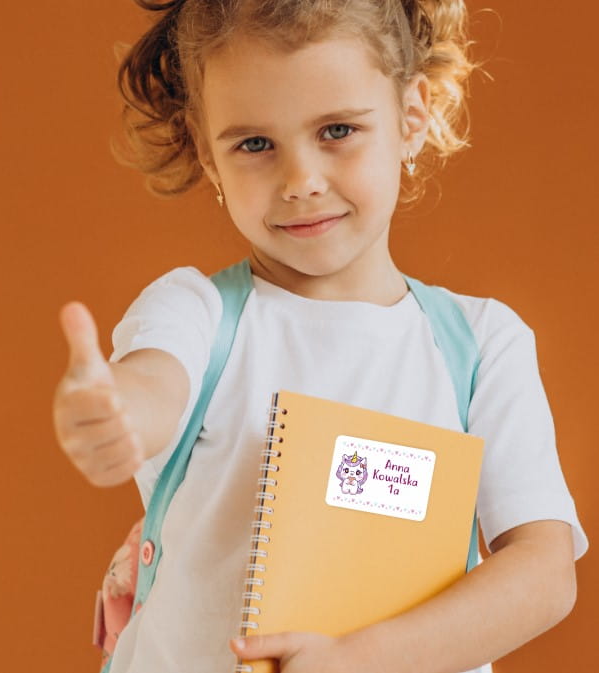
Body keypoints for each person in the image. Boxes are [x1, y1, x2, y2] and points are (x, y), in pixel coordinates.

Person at [52, 1, 588, 672]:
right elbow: (153, 385)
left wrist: (362, 659)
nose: (300, 182)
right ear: (206, 150)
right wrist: (114, 412)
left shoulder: (481, 346)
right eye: (254, 144)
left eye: (337, 130)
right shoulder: (195, 313)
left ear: (410, 118)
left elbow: (543, 572)